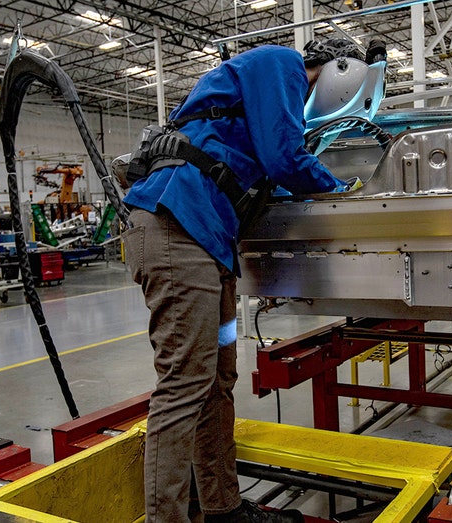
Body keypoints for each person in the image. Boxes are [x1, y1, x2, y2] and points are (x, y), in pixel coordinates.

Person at [120, 38, 383, 523]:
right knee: (184, 384)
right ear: (340, 68)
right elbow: (284, 156)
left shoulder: (269, 94)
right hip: (177, 232)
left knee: (217, 380)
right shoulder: (278, 62)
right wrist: (340, 188)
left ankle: (222, 508)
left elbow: (270, 171)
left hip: (209, 246)